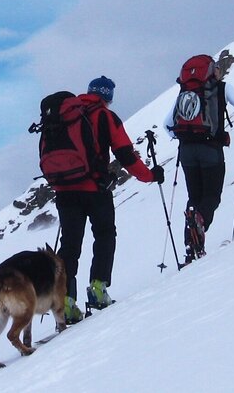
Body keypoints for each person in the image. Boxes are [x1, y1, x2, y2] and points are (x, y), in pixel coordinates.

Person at [54, 76, 164, 323]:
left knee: (70, 246)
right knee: (104, 235)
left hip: (64, 189)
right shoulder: (105, 117)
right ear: (108, 96)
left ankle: (65, 302)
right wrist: (150, 176)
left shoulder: (64, 115)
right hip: (94, 188)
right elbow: (125, 155)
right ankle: (98, 288)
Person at [163, 57, 234, 264]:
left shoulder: (184, 92)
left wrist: (183, 138)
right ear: (213, 71)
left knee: (194, 197)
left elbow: (167, 124)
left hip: (186, 152)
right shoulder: (222, 88)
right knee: (212, 196)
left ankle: (191, 246)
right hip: (211, 149)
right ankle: (200, 222)